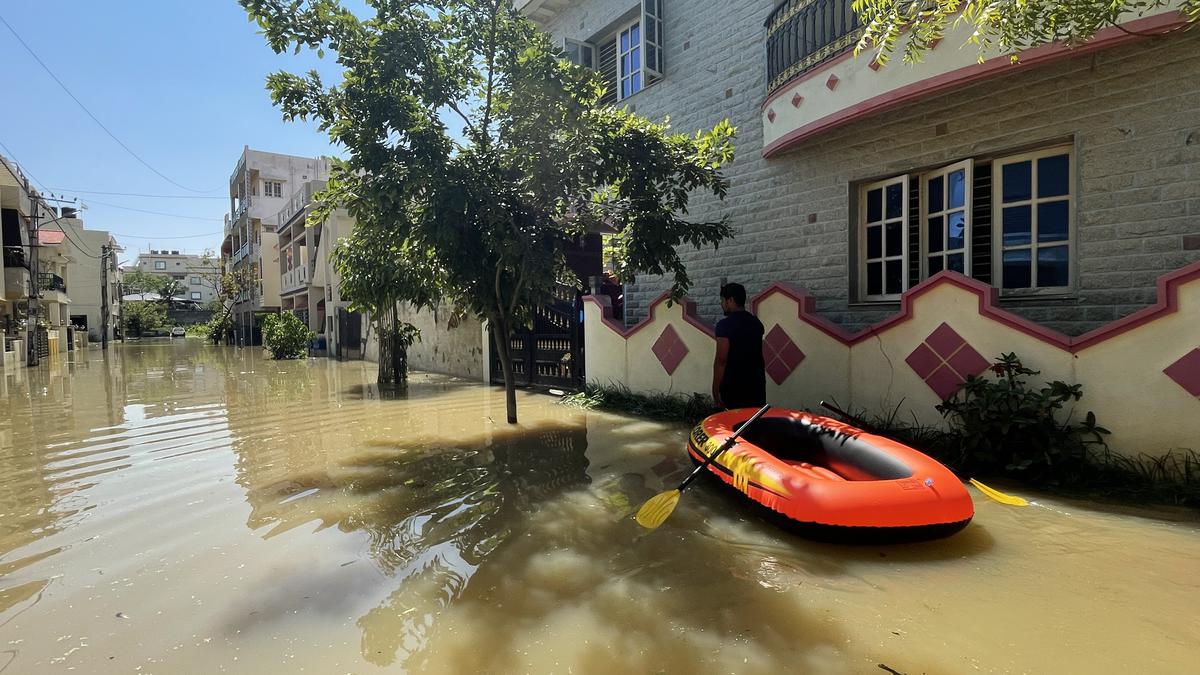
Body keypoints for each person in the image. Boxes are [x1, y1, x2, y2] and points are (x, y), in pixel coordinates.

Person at [712, 282, 766, 410]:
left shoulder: (725, 325)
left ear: (730, 300)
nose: (721, 304)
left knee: (733, 426)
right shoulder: (756, 323)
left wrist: (715, 389)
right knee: (754, 424)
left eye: (723, 300)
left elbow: (721, 360)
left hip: (734, 388)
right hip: (756, 386)